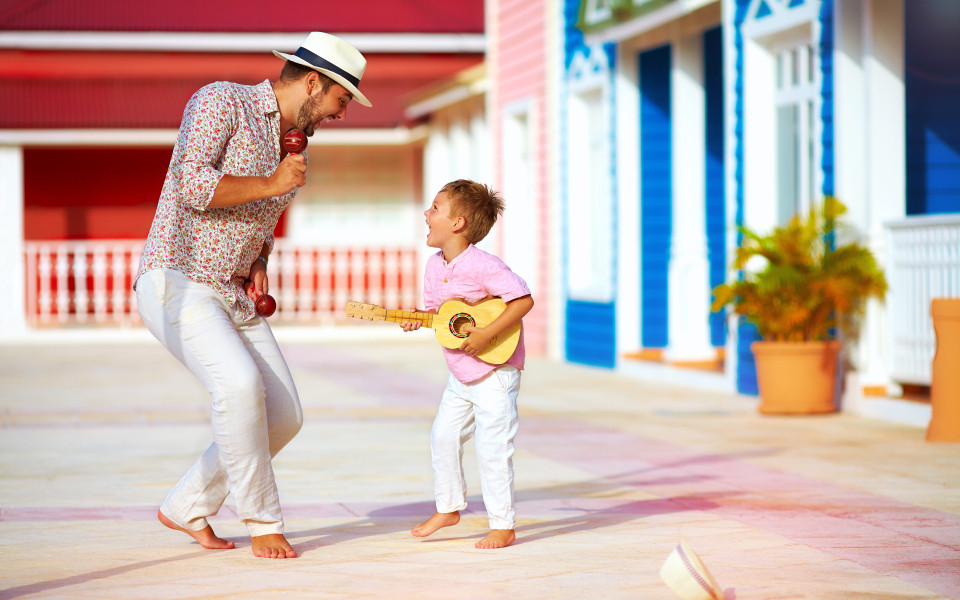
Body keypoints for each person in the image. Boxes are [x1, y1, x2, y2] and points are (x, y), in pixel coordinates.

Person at [134, 32, 372, 559]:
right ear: (314, 82)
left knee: (285, 415)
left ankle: (186, 505)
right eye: (342, 98)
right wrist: (272, 182)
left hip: (233, 294)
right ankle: (263, 521)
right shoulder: (222, 101)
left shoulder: (294, 145)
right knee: (240, 388)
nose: (342, 111)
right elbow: (191, 186)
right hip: (178, 278)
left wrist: (260, 259)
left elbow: (260, 225)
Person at [400, 179, 534, 549]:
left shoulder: (483, 266)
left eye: (435, 208)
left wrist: (487, 333)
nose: (427, 213)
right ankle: (449, 506)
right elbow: (437, 314)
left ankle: (502, 525)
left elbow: (522, 300)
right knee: (443, 436)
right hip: (460, 372)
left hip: (495, 370)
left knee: (493, 447)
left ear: (457, 223)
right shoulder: (433, 265)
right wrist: (418, 318)